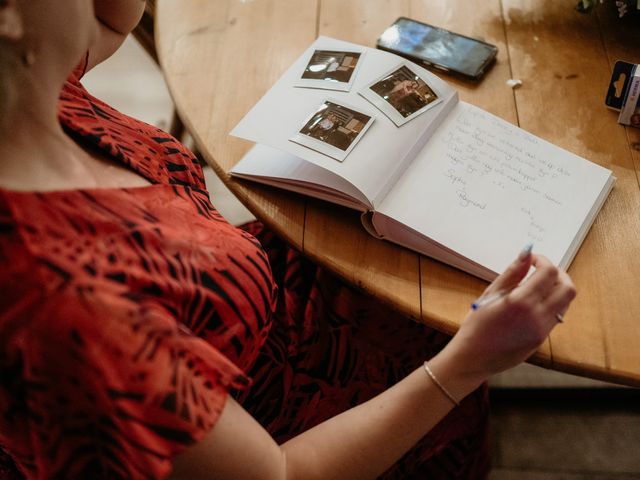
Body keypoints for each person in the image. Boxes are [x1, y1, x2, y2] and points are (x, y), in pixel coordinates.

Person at [0, 1, 576, 479]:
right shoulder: (69, 307)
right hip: (284, 420)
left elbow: (108, 22)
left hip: (272, 302)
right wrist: (467, 364)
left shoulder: (25, 82)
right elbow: (279, 474)